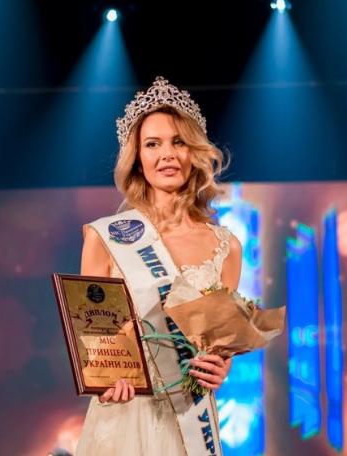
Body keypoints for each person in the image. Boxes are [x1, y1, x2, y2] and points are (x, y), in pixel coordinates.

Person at [76, 77, 242, 455]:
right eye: (153, 144)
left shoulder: (227, 246)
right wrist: (105, 379)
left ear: (194, 152)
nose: (167, 154)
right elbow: (92, 336)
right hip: (125, 415)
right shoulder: (105, 237)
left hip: (191, 421)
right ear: (137, 158)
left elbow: (219, 346)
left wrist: (221, 367)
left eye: (178, 142)